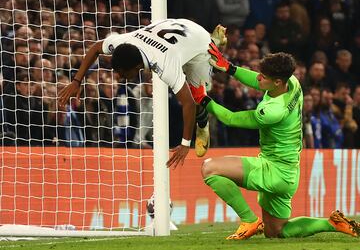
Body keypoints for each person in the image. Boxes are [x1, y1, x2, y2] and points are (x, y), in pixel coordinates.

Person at [181, 42, 360, 239]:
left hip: (273, 169)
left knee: (209, 168)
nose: (258, 78)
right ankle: (331, 223)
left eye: (263, 77)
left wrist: (204, 99)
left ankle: (248, 219)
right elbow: (256, 80)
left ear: (276, 82)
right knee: (276, 232)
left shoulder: (273, 112)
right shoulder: (292, 82)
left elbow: (230, 118)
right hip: (289, 172)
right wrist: (229, 67)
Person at [58, 18, 227, 168]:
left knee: (198, 95)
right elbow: (95, 48)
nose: (119, 77)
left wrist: (185, 143)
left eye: (123, 73)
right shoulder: (123, 42)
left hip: (197, 41)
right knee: (182, 72)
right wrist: (76, 81)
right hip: (178, 30)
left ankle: (203, 124)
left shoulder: (164, 63)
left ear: (137, 67)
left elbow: (188, 103)